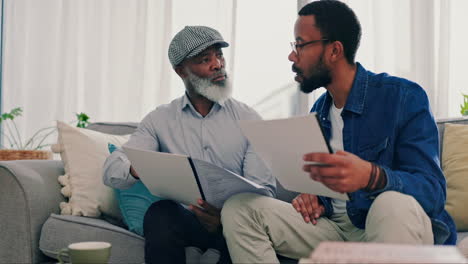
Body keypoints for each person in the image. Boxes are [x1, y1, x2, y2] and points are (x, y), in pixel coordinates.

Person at [220, 1, 457, 263]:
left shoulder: (403, 97)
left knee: (391, 203)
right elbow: (329, 188)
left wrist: (371, 176)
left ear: (334, 50)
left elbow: (432, 193)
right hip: (335, 231)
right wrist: (313, 195)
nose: (292, 56)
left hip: (391, 228)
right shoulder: (320, 111)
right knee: (240, 209)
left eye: (300, 44)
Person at [103, 25, 276, 264]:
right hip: (186, 221)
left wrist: (226, 218)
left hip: (236, 225)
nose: (217, 64)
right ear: (181, 71)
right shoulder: (159, 120)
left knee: (244, 224)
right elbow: (112, 171)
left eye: (219, 55)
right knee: (160, 213)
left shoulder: (248, 119)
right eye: (205, 59)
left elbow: (264, 189)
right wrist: (137, 167)